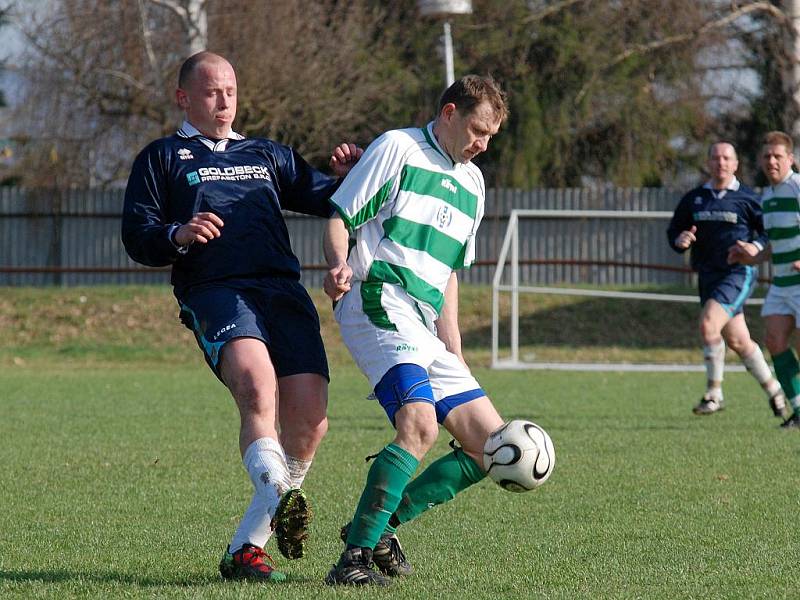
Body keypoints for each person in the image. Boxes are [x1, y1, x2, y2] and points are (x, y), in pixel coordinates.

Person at [121, 51, 362, 582]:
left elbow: (335, 201)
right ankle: (281, 496)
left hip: (282, 290)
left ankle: (245, 549)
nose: (224, 101)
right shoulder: (162, 157)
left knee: (309, 419)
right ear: (184, 97)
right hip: (216, 290)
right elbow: (138, 237)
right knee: (257, 387)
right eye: (211, 92)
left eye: (230, 90)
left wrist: (351, 175)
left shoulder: (267, 154)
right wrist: (177, 235)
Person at [321, 75, 509, 586]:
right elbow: (340, 215)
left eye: (491, 137)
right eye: (476, 130)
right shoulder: (397, 147)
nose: (482, 145)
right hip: (377, 299)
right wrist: (338, 263)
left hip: (424, 324)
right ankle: (353, 562)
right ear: (449, 112)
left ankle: (380, 527)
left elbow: (448, 274)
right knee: (420, 425)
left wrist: (456, 350)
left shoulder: (474, 183)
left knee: (491, 446)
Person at [667, 142, 786, 417]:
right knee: (739, 341)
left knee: (709, 325)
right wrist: (680, 239)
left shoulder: (748, 198)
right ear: (708, 163)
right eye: (715, 158)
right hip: (708, 277)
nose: (720, 162)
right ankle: (775, 391)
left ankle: (714, 393)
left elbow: (769, 232)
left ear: (736, 165)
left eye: (726, 158)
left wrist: (754, 247)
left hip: (737, 273)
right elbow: (675, 229)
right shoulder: (695, 198)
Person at [728, 130, 800, 429]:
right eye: (767, 156)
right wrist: (752, 257)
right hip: (781, 283)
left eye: (778, 156)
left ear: (791, 159)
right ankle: (797, 410)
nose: (772, 161)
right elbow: (773, 242)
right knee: (774, 340)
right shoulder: (767, 196)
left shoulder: (797, 188)